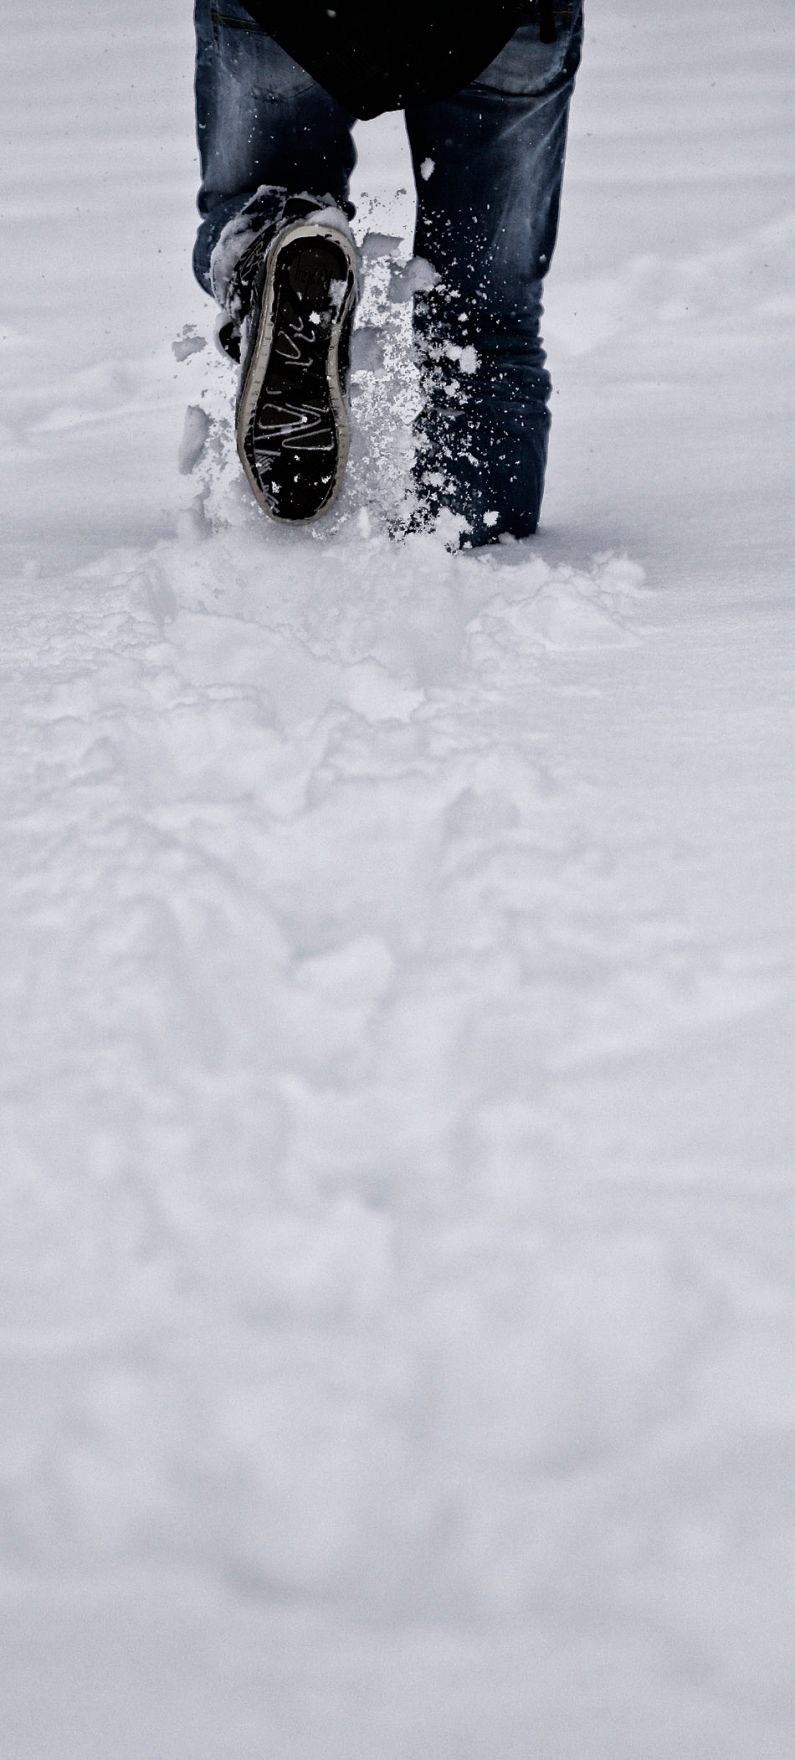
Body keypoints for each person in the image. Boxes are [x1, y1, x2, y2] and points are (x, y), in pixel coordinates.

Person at [192, 1, 584, 545]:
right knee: (487, 327)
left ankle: (268, 258)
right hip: (499, 15)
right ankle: (474, 556)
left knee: (262, 201)